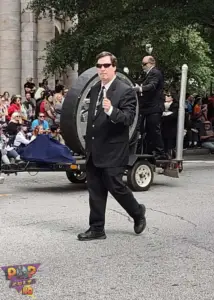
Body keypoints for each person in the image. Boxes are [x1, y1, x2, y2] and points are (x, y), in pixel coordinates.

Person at [77, 51, 146, 241]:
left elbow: (128, 119)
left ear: (114, 66)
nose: (102, 69)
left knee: (116, 186)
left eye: (106, 65)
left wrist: (111, 111)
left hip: (114, 149)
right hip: (95, 148)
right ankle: (97, 228)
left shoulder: (125, 90)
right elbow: (91, 120)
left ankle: (138, 212)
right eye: (99, 66)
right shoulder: (94, 89)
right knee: (95, 189)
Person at [136, 56, 166, 159]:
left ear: (151, 63)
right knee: (146, 130)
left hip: (154, 107)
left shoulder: (155, 73)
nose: (142, 66)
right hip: (148, 108)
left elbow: (152, 86)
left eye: (144, 64)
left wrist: (140, 89)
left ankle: (160, 153)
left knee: (154, 130)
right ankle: (150, 151)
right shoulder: (147, 74)